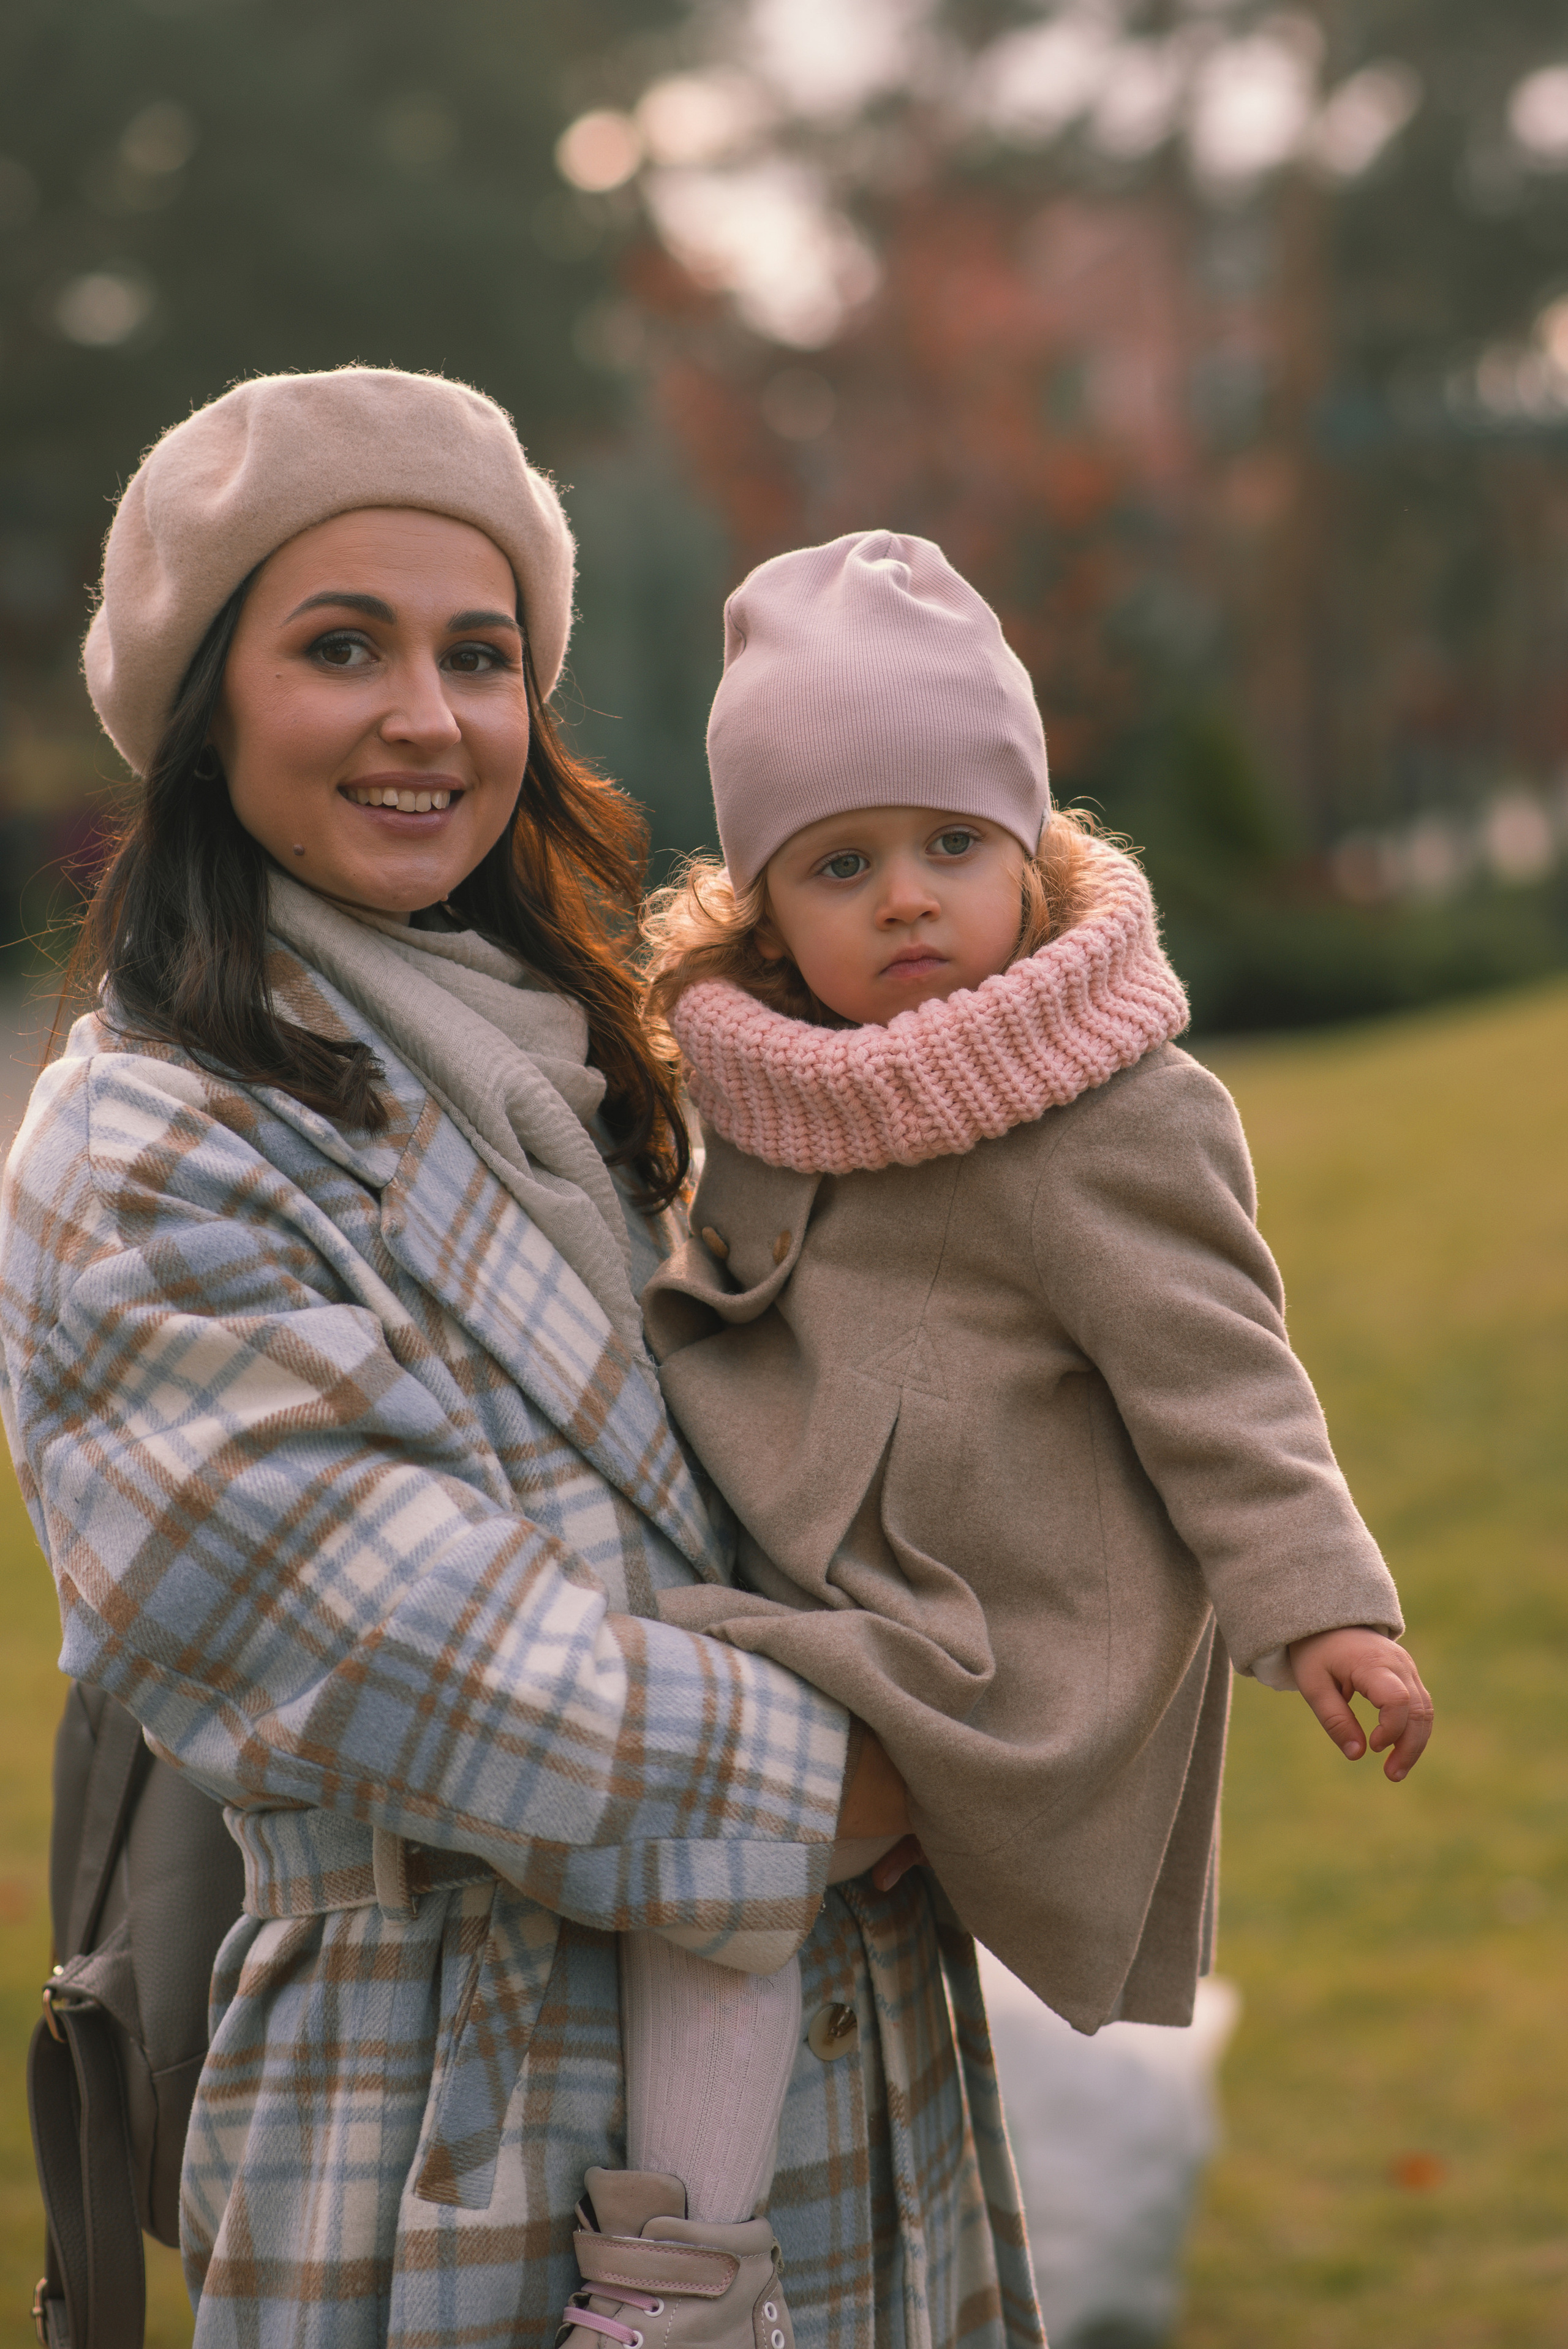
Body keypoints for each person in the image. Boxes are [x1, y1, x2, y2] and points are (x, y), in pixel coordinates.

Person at [0, 383, 1042, 2349]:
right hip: (455, 2138)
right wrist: (949, 1767)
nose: (430, 715)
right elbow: (428, 1666)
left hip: (838, 2089)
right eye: (340, 647)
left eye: (480, 656)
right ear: (205, 714)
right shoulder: (141, 1149)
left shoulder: (597, 1068)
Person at [616, 529, 1435, 2266]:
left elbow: (1225, 1379)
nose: (907, 896)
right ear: (766, 913)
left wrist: (1326, 1613)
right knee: (699, 1815)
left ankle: (678, 2262)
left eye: (951, 845)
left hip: (993, 1629)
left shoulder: (1110, 1109)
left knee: (700, 1784)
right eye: (841, 863)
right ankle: (729, 2224)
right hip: (836, 1564)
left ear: (1031, 857)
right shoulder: (767, 1094)